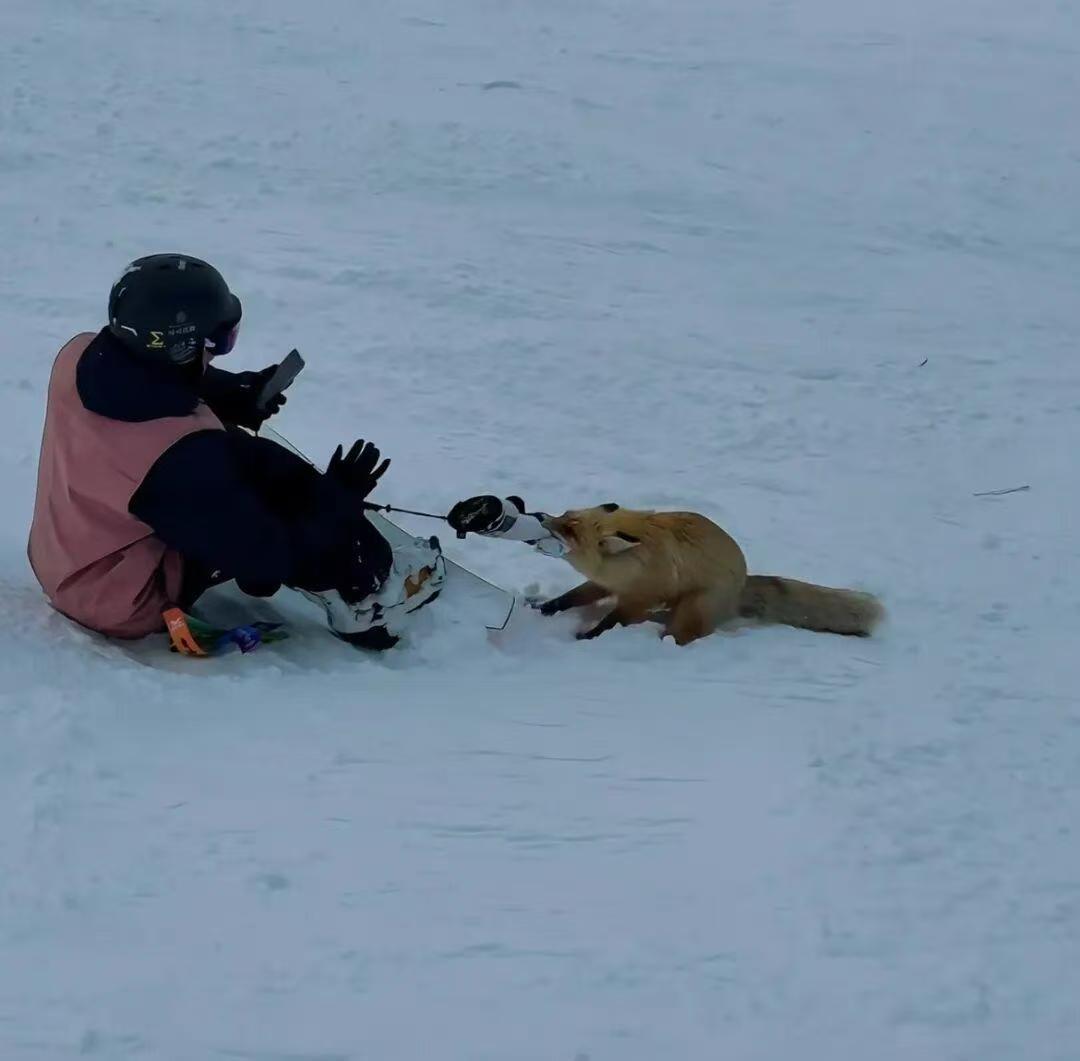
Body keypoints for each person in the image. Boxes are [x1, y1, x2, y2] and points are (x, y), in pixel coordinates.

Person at [28, 253, 442, 649]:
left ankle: (327, 532)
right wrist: (336, 502)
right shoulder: (175, 460)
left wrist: (234, 391)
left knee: (247, 460)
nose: (220, 347)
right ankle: (368, 595)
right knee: (278, 504)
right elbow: (262, 559)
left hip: (67, 553)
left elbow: (145, 380)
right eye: (219, 340)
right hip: (121, 599)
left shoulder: (81, 356)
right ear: (179, 347)